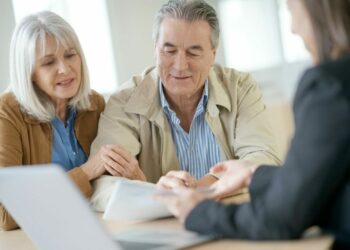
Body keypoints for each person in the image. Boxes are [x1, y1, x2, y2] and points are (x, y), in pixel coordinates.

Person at [156, 0, 350, 248]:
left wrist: (199, 211)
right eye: (169, 50)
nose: (292, 28)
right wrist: (254, 174)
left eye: (292, 10)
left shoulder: (329, 87)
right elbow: (322, 185)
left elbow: (281, 218)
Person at [90, 0, 281, 188]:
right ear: (155, 50)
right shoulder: (125, 101)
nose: (180, 66)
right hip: (159, 219)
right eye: (169, 50)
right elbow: (103, 183)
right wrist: (152, 194)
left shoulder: (241, 89)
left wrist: (207, 185)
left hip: (227, 213)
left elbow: (264, 158)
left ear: (213, 55)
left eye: (193, 53)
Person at [0, 11, 119, 231]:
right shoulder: (6, 113)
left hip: (98, 228)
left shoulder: (94, 103)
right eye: (48, 63)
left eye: (70, 55)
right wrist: (86, 172)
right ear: (29, 73)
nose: (65, 69)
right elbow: (6, 215)